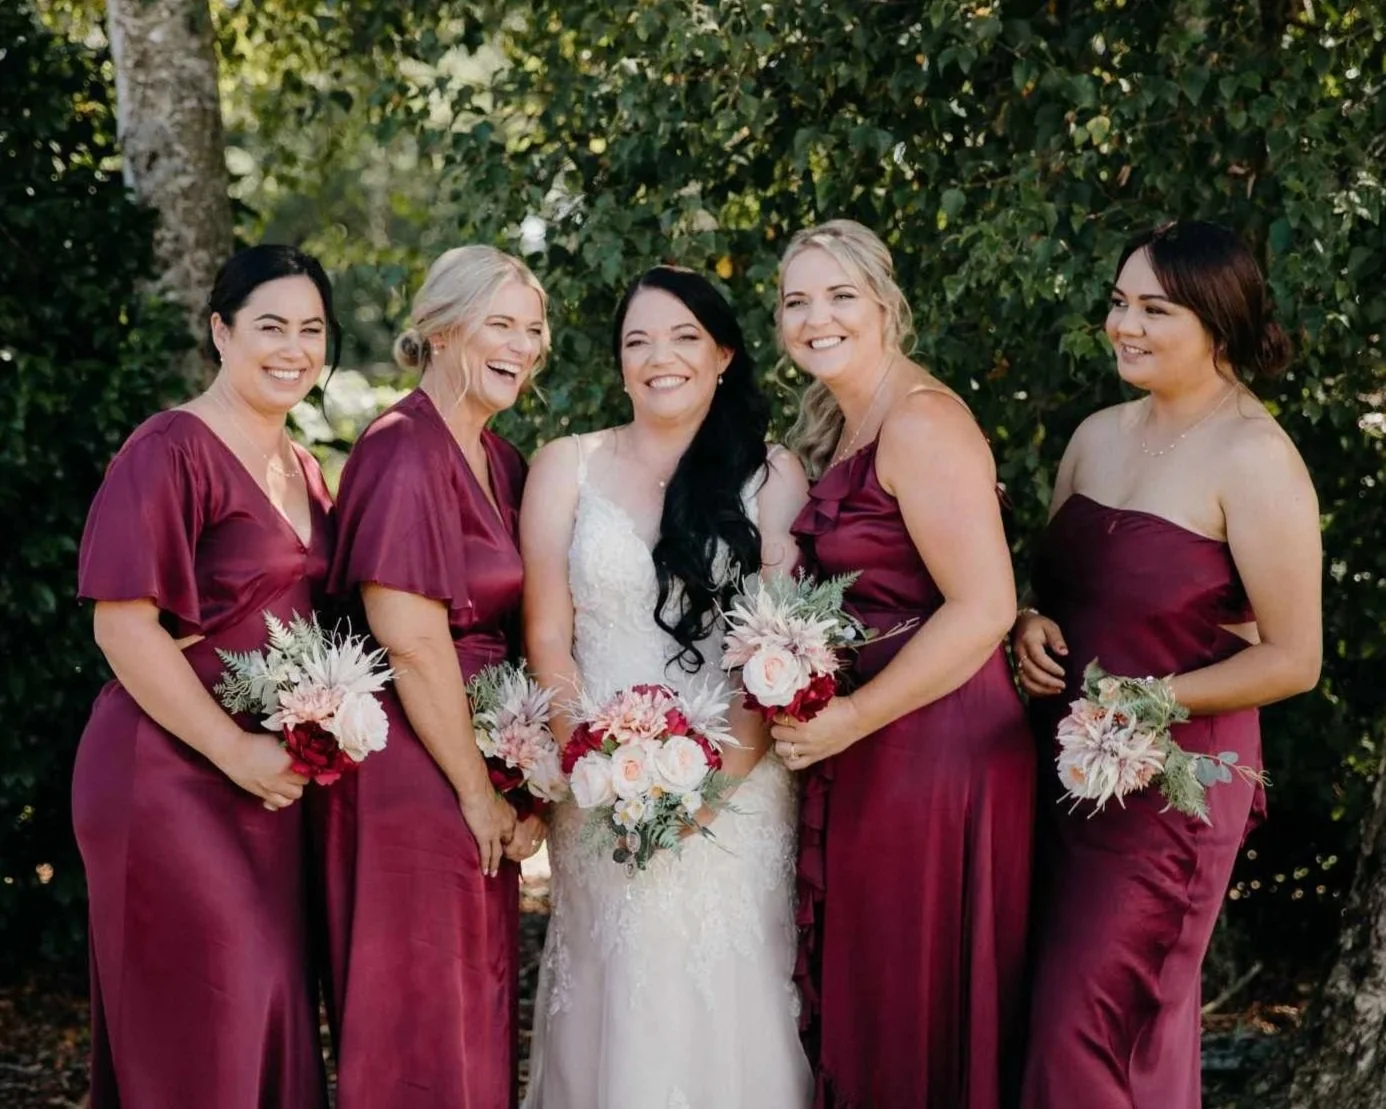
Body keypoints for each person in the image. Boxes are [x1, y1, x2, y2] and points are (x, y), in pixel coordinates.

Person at [1014, 220, 1322, 1109]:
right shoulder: (1096, 434)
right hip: (1054, 767)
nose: (1125, 325)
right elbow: (1059, 589)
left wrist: (1149, 701)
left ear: (1218, 323)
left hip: (1171, 789)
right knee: (1047, 1009)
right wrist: (1028, 625)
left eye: (1155, 308)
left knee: (1085, 1025)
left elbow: (1294, 657)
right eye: (1118, 303)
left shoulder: (1257, 460)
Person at [520, 265, 813, 1108]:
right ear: (617, 361)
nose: (660, 358)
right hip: (596, 786)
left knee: (724, 996)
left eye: (685, 337)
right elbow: (548, 632)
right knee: (614, 989)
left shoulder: (772, 477)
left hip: (739, 785)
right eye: (637, 341)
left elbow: (780, 647)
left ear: (722, 354)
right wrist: (594, 756)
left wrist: (710, 788)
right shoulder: (564, 467)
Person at [770, 219, 1035, 1108]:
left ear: (884, 303)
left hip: (937, 741)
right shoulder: (840, 423)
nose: (817, 318)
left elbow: (986, 607)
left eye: (839, 295)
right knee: (876, 983)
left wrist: (850, 716)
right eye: (797, 301)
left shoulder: (922, 420)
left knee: (913, 990)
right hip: (878, 737)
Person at [73, 245, 340, 1108]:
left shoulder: (303, 466)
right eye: (270, 325)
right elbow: (122, 624)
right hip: (165, 776)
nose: (293, 347)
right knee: (213, 1019)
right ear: (220, 332)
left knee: (269, 1010)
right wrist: (233, 748)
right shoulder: (167, 449)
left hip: (266, 788)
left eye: (311, 329)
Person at [315, 245, 549, 1108]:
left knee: (472, 999)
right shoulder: (402, 447)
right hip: (411, 768)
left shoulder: (503, 459)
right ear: (444, 330)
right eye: (501, 324)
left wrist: (521, 788)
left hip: (468, 756)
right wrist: (476, 791)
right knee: (417, 1015)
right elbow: (412, 640)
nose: (522, 345)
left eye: (534, 330)